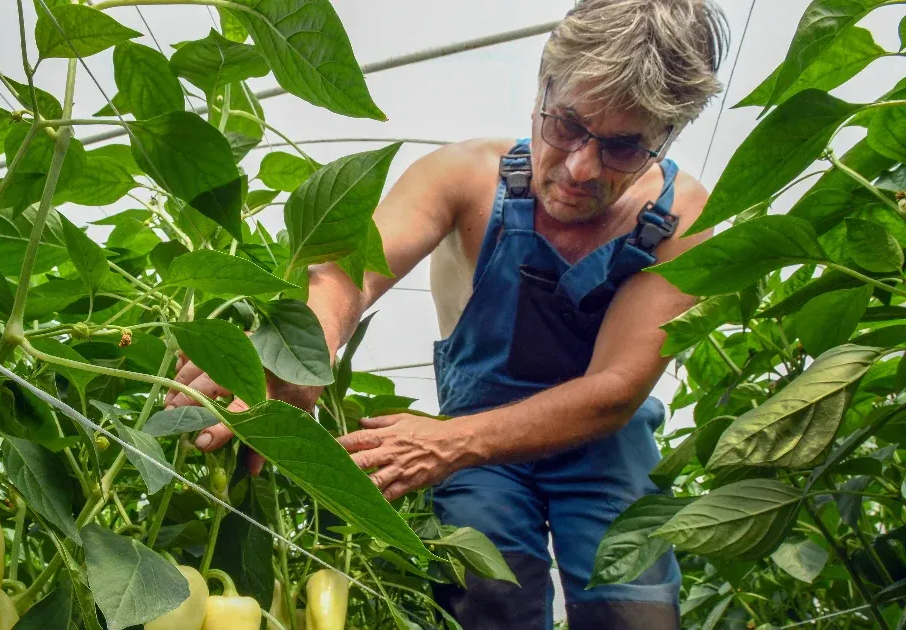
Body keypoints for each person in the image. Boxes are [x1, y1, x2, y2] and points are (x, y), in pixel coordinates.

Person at [164, 1, 730, 627]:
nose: (579, 167)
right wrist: (305, 348)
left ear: (666, 136)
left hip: (600, 447)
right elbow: (347, 271)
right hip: (479, 450)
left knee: (634, 612)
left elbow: (614, 390)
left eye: (623, 147)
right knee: (490, 599)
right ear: (543, 87)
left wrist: (443, 442)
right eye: (566, 125)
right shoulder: (463, 176)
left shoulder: (681, 222)